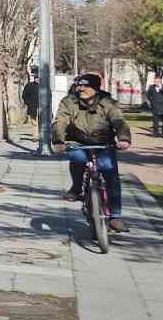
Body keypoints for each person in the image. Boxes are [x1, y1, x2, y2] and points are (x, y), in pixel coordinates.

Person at [54, 74, 132, 233]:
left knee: (110, 173)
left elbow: (119, 121)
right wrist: (58, 141)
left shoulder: (108, 103)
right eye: (79, 86)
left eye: (85, 86)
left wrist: (123, 139)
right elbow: (60, 121)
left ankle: (115, 216)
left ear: (96, 88)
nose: (80, 89)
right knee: (77, 158)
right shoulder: (69, 102)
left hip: (103, 144)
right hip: (77, 142)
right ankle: (77, 188)